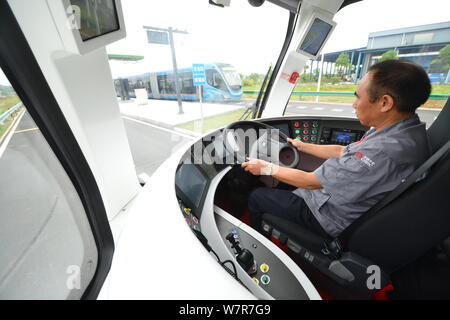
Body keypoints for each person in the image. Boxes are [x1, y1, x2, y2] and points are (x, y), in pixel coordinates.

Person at [242, 60, 432, 238]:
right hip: (346, 204)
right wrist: (303, 146)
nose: (354, 104)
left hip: (328, 216)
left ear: (385, 103)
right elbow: (343, 151)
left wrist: (264, 168)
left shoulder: (380, 151)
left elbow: (310, 182)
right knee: (284, 182)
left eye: (358, 96)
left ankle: (258, 241)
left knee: (257, 195)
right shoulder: (405, 131)